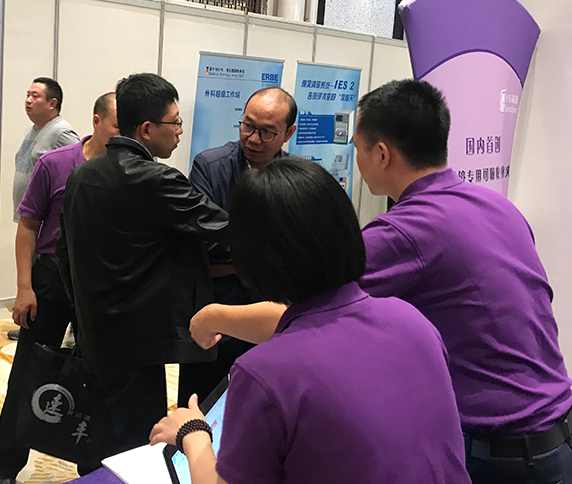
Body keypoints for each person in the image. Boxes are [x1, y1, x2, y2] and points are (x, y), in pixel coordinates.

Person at [190, 79, 572, 484]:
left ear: (382, 153)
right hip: (557, 428)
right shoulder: (497, 206)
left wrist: (212, 316)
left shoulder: (403, 234)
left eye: (357, 147)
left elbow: (303, 319)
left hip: (497, 450)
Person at [150, 157, 470, 484]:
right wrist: (215, 316)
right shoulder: (412, 321)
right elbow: (309, 325)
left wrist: (193, 434)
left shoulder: (264, 374)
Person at [56, 73, 229, 467]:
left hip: (94, 332)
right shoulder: (157, 179)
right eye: (175, 122)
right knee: (137, 446)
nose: (180, 130)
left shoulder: (83, 174)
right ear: (147, 129)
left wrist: (79, 310)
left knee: (97, 434)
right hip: (139, 341)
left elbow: (64, 251)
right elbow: (222, 226)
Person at [0, 92, 120, 484]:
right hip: (50, 280)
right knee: (27, 373)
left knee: (98, 375)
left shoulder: (128, 169)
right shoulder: (55, 163)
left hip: (98, 288)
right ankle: (5, 468)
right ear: (97, 121)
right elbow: (28, 227)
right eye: (117, 125)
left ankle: (91, 467)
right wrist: (24, 287)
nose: (123, 134)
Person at [180, 86, 296, 405]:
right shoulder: (210, 166)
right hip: (218, 305)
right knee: (202, 403)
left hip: (273, 309)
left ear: (288, 133)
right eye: (248, 126)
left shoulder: (296, 177)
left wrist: (238, 258)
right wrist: (264, 256)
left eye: (267, 132)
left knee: (260, 404)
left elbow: (299, 245)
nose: (254, 139)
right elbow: (201, 240)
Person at [9, 76, 79, 340]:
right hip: (31, 219)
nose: (28, 100)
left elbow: (77, 170)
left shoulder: (61, 132)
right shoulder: (33, 130)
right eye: (27, 95)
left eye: (35, 96)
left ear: (53, 103)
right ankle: (30, 318)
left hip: (48, 224)